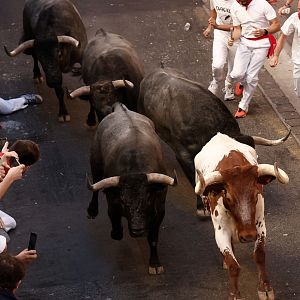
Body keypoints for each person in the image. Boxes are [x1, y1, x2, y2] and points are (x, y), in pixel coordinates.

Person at [227, 0, 280, 118]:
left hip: (262, 45)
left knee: (251, 77)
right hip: (244, 43)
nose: (241, 2)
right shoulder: (235, 6)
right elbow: (237, 29)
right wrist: (232, 38)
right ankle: (241, 82)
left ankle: (243, 106)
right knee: (236, 74)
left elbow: (276, 24)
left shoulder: (262, 4)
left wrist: (264, 31)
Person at [203, 0, 238, 101]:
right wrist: (210, 27)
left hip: (237, 37)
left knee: (234, 70)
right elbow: (214, 12)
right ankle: (215, 82)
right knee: (217, 64)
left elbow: (239, 27)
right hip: (220, 34)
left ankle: (229, 87)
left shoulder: (239, 2)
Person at [269, 3, 300, 96]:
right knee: (298, 91)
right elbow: (283, 36)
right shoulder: (295, 17)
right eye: (299, 9)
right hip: (299, 61)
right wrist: (276, 56)